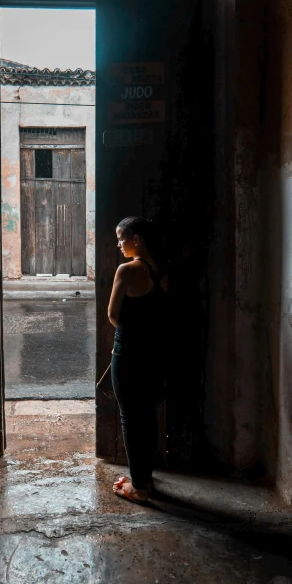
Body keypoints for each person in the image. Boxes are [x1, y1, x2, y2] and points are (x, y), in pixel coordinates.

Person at [107, 215, 169, 504]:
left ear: (137, 240)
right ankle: (143, 478)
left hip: (129, 352)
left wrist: (129, 336)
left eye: (122, 238)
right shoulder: (160, 268)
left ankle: (139, 487)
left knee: (130, 417)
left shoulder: (127, 270)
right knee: (147, 416)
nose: (119, 244)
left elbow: (113, 315)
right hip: (154, 351)